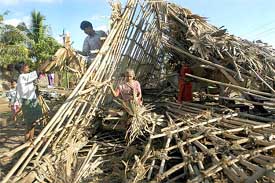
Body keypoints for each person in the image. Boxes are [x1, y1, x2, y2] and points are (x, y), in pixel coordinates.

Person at [16, 62, 42, 141]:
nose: (28, 67)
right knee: (29, 124)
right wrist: (49, 61)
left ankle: (31, 139)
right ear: (21, 69)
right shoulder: (22, 76)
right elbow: (38, 71)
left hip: (32, 101)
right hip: (28, 102)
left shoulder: (25, 76)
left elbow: (37, 74)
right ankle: (26, 141)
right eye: (25, 66)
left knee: (33, 123)